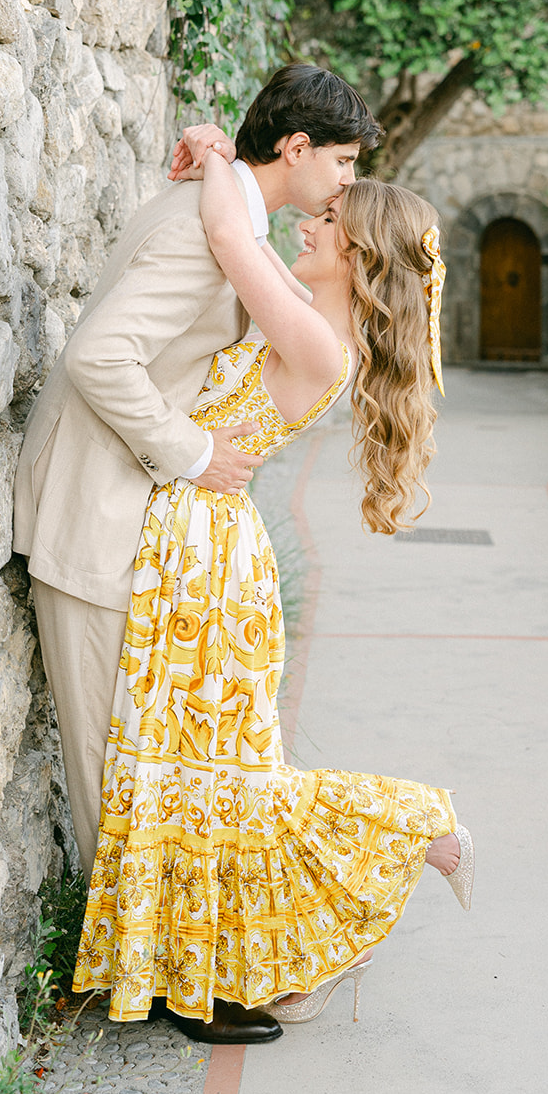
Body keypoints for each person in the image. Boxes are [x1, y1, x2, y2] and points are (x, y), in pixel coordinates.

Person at [70, 149, 474, 1044]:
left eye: (328, 223)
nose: (308, 222)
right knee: (196, 777)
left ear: (357, 256)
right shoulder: (303, 322)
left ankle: (409, 831)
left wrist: (217, 150)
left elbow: (225, 229)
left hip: (208, 559)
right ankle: (198, 966)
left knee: (220, 782)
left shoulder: (314, 338)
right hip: (198, 546)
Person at [12, 65, 382, 959]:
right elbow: (100, 359)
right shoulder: (203, 235)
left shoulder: (229, 227)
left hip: (140, 524)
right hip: (95, 517)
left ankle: (172, 961)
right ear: (295, 150)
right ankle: (159, 975)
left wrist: (212, 142)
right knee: (114, 773)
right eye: (338, 162)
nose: (343, 182)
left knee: (145, 766)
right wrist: (193, 452)